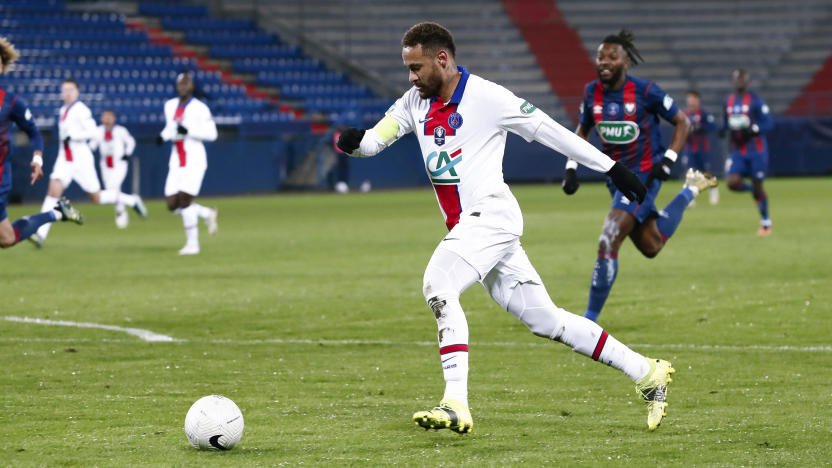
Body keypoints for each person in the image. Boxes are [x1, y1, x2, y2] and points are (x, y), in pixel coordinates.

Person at [336, 22, 675, 433]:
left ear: (442, 59)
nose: (411, 77)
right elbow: (374, 141)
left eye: (416, 67)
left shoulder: (487, 97)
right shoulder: (414, 102)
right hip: (475, 228)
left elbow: (549, 130)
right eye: (408, 68)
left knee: (438, 284)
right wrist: (353, 142)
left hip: (490, 217)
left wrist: (611, 167)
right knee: (546, 320)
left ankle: (455, 402)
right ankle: (647, 371)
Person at [561, 30, 717, 323]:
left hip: (644, 173)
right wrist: (571, 167)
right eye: (600, 56)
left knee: (608, 237)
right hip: (616, 178)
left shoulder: (646, 92)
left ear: (626, 62)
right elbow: (582, 131)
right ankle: (691, 189)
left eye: (612, 57)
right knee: (651, 245)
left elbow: (681, 121)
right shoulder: (591, 92)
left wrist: (668, 161)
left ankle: (587, 323)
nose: (604, 62)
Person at [31, 78, 147, 247]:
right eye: (64, 90)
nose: (67, 93)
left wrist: (75, 136)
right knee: (52, 193)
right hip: (65, 159)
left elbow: (92, 131)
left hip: (81, 159)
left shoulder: (81, 110)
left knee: (96, 197)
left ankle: (131, 200)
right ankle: (40, 234)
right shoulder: (63, 109)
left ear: (77, 92)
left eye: (70, 89)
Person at [0, 37, 82, 249]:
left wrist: (38, 158)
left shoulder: (10, 102)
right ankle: (56, 213)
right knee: (7, 238)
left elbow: (34, 132)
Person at [156, 72, 218, 255]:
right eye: (180, 83)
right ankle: (206, 213)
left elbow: (212, 134)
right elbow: (171, 127)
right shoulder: (170, 106)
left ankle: (193, 245)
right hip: (176, 160)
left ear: (192, 86)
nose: (183, 86)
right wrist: (163, 136)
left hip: (194, 159)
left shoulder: (200, 108)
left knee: (184, 200)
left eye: (187, 83)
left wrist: (189, 130)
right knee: (171, 203)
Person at [722, 68, 774, 235]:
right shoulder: (728, 102)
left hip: (756, 151)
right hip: (737, 151)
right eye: (737, 79)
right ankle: (754, 191)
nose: (740, 81)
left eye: (742, 79)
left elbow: (769, 123)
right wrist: (722, 129)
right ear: (733, 81)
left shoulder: (756, 101)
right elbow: (725, 123)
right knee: (731, 182)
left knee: (759, 185)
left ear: (747, 81)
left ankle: (766, 222)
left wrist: (754, 129)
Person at [91, 109, 136, 229]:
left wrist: (127, 153)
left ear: (114, 118)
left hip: (119, 164)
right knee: (111, 190)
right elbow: (92, 145)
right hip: (105, 165)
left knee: (114, 187)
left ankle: (122, 212)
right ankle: (127, 205)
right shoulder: (98, 131)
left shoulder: (121, 131)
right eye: (104, 117)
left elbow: (131, 141)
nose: (107, 119)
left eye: (109, 117)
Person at [682, 90, 718, 205]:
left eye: (693, 99)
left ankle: (713, 190)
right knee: (689, 173)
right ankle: (689, 198)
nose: (691, 101)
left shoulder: (703, 114)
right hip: (689, 148)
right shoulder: (684, 115)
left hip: (702, 148)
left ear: (698, 100)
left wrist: (700, 127)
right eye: (689, 99)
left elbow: (713, 126)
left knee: (705, 172)